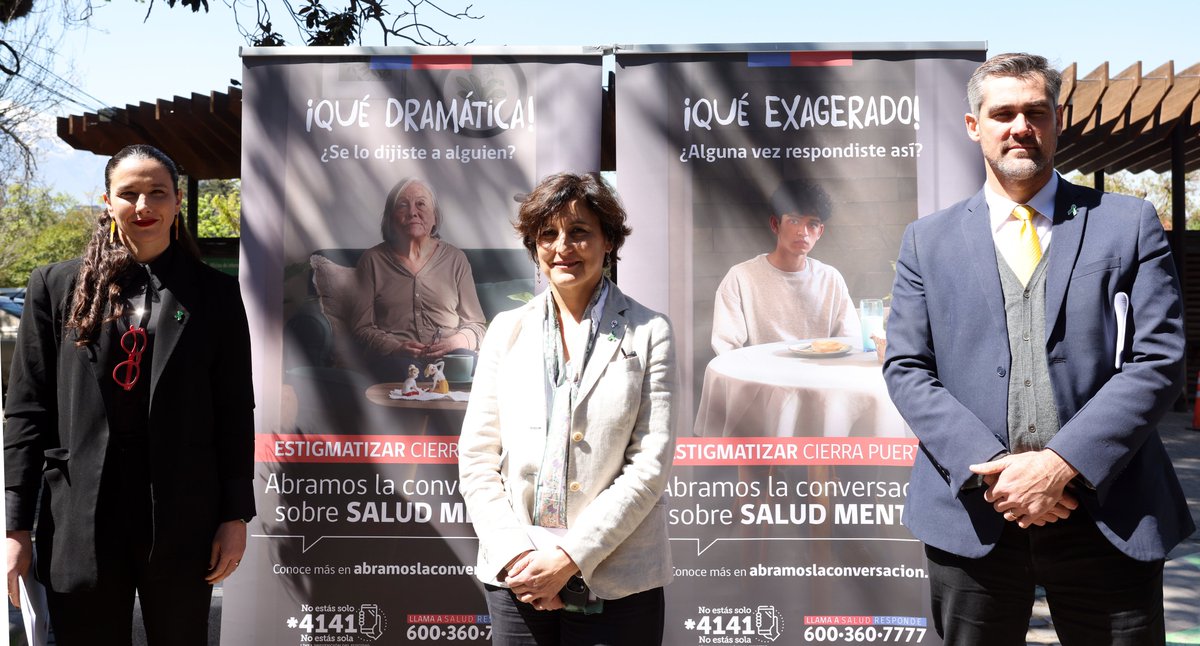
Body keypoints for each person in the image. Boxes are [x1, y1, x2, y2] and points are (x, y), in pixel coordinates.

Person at [883, 53, 1193, 645]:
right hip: (976, 515)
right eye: (1003, 113)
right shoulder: (927, 241)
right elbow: (907, 367)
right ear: (974, 126)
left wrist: (1059, 465)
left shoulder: (1127, 224)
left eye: (1036, 112)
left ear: (1058, 121)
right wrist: (1001, 476)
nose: (1019, 126)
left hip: (1109, 514)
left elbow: (1159, 359)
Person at [4, 144, 255, 645]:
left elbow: (233, 412)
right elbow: (28, 411)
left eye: (157, 193)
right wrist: (15, 527)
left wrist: (235, 514)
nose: (144, 206)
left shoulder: (215, 295)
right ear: (107, 201)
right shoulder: (57, 286)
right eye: (129, 194)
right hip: (80, 515)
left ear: (177, 201)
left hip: (182, 515)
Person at [458, 172, 676, 645]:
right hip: (518, 581)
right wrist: (519, 558)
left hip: (618, 580)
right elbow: (477, 460)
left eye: (579, 232)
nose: (563, 247)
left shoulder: (650, 331)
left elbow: (649, 466)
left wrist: (570, 558)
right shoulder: (505, 330)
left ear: (609, 241)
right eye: (548, 234)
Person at [351, 177, 486, 370]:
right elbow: (361, 328)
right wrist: (396, 348)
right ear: (390, 218)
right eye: (403, 205)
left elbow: (477, 326)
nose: (413, 212)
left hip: (450, 355)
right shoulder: (372, 260)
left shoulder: (456, 259)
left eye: (421, 204)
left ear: (435, 217)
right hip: (395, 359)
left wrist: (453, 343)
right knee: (406, 374)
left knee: (468, 367)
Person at [711, 178, 859, 354]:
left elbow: (850, 341)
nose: (802, 232)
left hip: (820, 377)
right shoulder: (741, 277)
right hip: (761, 377)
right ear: (775, 224)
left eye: (812, 224)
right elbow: (726, 346)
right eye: (794, 221)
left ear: (820, 231)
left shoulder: (830, 279)